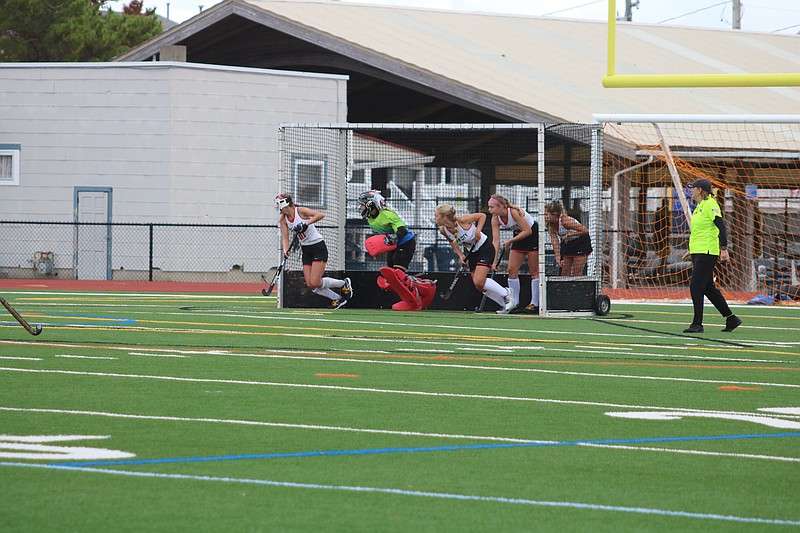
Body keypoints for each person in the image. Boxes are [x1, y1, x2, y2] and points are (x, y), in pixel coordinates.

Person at [682, 178, 741, 333]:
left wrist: (724, 248)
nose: (691, 190)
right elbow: (700, 231)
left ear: (700, 190)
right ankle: (731, 318)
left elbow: (721, 227)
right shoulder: (699, 206)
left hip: (707, 252)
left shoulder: (711, 204)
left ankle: (697, 324)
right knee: (708, 287)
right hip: (698, 251)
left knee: (696, 286)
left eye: (692, 188)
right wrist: (691, 250)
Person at [276, 193, 352, 309]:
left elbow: (320, 215)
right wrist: (285, 249)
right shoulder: (283, 220)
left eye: (278, 204)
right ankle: (338, 299)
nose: (277, 207)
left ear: (285, 203)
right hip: (306, 250)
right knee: (311, 285)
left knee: (316, 282)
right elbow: (285, 238)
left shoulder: (300, 211)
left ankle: (344, 283)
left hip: (318, 247)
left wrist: (305, 224)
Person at [434, 204, 514, 314]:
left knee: (479, 280)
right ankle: (505, 304)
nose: (435, 218)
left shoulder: (462, 220)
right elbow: (452, 242)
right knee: (479, 285)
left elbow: (482, 216)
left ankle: (506, 292)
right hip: (472, 252)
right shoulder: (443, 230)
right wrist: (461, 255)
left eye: (436, 216)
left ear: (444, 217)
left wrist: (477, 231)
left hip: (485, 248)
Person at [487, 194, 539, 313]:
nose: (490, 210)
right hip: (518, 236)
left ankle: (534, 304)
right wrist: (493, 261)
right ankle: (514, 303)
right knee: (512, 271)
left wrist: (510, 240)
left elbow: (528, 231)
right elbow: (496, 241)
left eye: (492, 207)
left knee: (534, 271)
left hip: (532, 236)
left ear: (501, 206)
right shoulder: (495, 218)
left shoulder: (513, 212)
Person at [359, 189, 416, 271]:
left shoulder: (387, 215)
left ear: (371, 205)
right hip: (393, 245)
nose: (360, 207)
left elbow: (403, 231)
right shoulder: (370, 219)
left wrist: (392, 238)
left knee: (398, 268)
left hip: (406, 242)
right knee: (390, 267)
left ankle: (407, 281)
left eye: (362, 205)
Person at [544, 200, 593, 277]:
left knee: (576, 274)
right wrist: (557, 257)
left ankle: (576, 288)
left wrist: (570, 235)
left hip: (581, 242)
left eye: (547, 214)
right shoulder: (550, 224)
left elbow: (585, 231)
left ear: (555, 214)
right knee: (564, 274)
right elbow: (555, 240)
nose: (545, 217)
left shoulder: (565, 221)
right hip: (568, 244)